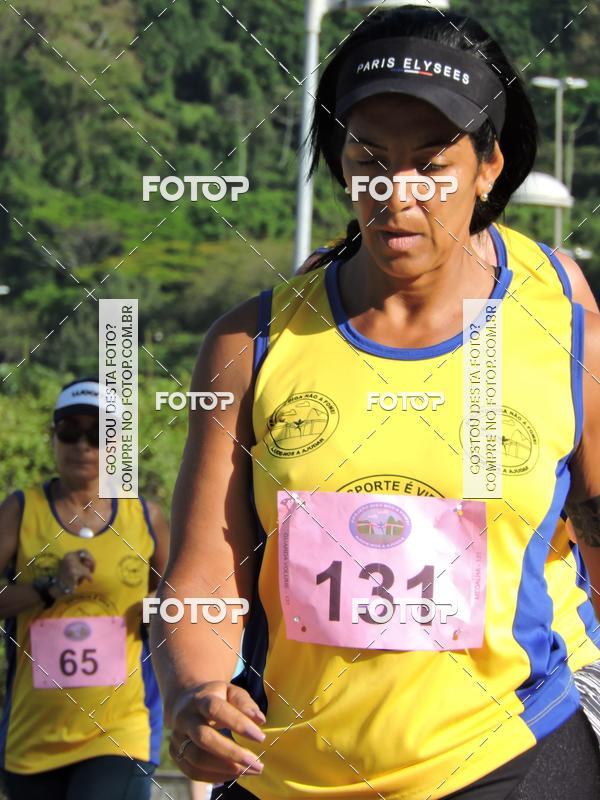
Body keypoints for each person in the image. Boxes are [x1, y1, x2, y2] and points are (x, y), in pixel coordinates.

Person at [153, 6, 600, 799]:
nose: (397, 194)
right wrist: (193, 695)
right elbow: (204, 576)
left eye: (432, 163)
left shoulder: (568, 334)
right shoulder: (247, 347)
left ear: (489, 166)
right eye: (370, 159)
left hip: (509, 757)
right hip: (280, 773)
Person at [0, 378, 169, 800]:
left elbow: (184, 602)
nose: (83, 446)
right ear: (52, 436)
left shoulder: (146, 518)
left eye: (98, 434)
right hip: (32, 736)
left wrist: (160, 611)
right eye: (70, 432)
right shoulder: (21, 510)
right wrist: (51, 587)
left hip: (120, 732)